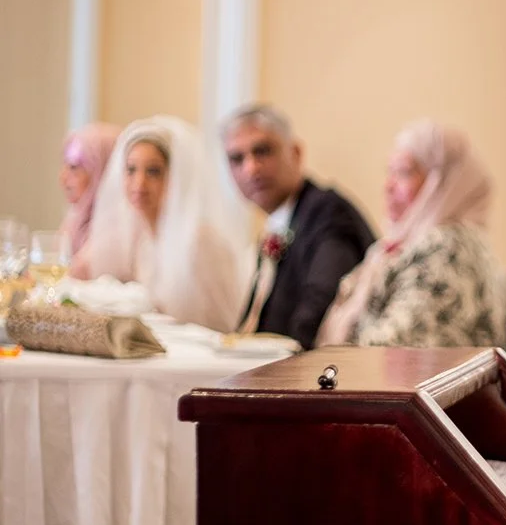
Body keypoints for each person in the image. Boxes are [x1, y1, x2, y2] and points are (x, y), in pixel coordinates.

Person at [317, 121, 506, 348]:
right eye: (390, 172)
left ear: (444, 184)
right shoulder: (399, 245)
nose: (388, 186)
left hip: (409, 380)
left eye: (404, 173)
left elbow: (393, 349)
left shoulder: (448, 248)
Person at [221, 104, 375, 350]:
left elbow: (317, 310)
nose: (251, 169)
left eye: (262, 151)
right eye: (236, 159)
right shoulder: (281, 220)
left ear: (295, 152)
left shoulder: (330, 215)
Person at [84, 115, 246, 332]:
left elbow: (228, 326)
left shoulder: (201, 241)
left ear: (175, 177)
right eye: (131, 170)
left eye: (153, 172)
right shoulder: (144, 242)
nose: (139, 183)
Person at [58, 122, 120, 267]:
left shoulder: (116, 229)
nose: (63, 177)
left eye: (74, 168)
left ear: (103, 171)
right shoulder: (75, 220)